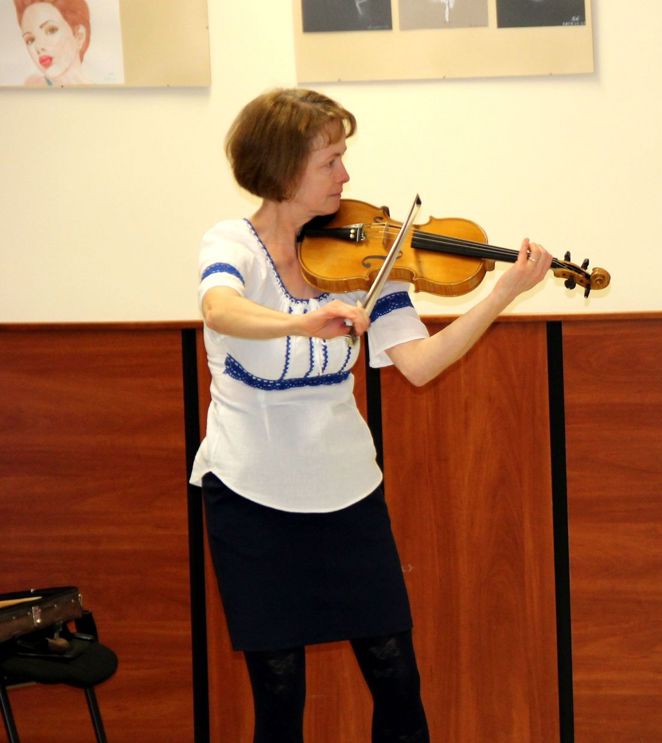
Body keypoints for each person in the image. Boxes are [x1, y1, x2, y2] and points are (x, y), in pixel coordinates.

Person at [189, 88, 551, 743]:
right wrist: (303, 321)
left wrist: (502, 293)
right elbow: (219, 309)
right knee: (279, 691)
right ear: (284, 169)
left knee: (396, 676)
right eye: (330, 161)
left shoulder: (364, 258)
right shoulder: (232, 244)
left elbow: (420, 363)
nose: (346, 175)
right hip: (250, 495)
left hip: (348, 494)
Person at [14, 0, 91, 86]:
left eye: (51, 31)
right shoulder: (32, 86)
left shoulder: (97, 91)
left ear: (79, 36)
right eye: (30, 40)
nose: (38, 47)